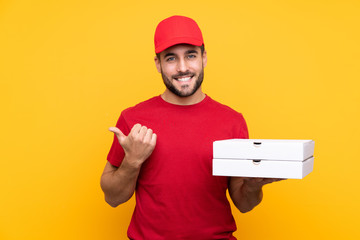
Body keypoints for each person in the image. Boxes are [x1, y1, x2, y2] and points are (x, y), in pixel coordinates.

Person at [101, 15, 282, 240]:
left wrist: (254, 185)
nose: (183, 67)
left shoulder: (232, 121)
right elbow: (113, 198)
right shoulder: (133, 119)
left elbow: (244, 204)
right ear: (158, 64)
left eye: (191, 55)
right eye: (170, 58)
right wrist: (132, 161)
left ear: (204, 58)